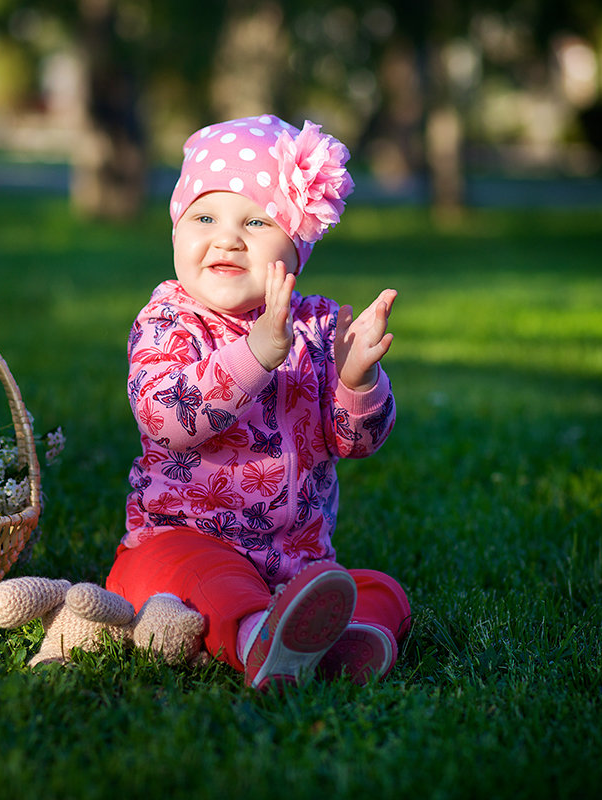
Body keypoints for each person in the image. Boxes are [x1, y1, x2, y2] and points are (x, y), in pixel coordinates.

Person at [104, 114, 411, 690]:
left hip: (294, 564)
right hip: (178, 543)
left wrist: (357, 379)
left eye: (254, 220)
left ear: (295, 247)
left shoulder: (319, 326)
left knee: (378, 589)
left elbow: (354, 442)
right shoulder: (169, 319)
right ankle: (257, 638)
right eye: (203, 217)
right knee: (205, 581)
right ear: (176, 234)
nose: (226, 237)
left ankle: (335, 637)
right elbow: (165, 418)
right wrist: (256, 352)